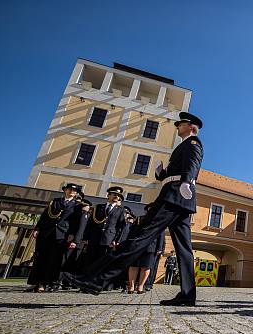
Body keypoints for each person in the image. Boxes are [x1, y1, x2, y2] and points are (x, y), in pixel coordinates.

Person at [62, 111, 204, 307]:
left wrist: (187, 181)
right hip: (178, 198)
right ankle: (188, 294)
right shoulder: (183, 146)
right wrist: (161, 174)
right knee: (184, 249)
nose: (177, 126)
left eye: (180, 124)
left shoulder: (193, 143)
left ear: (190, 127)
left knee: (139, 237)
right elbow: (177, 171)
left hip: (175, 197)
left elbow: (193, 163)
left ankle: (96, 279)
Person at [26, 183, 82, 292]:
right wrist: (37, 228)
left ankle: (44, 283)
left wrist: (72, 234)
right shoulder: (55, 201)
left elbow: (76, 222)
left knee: (53, 260)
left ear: (76, 194)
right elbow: (45, 216)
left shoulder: (77, 206)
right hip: (46, 232)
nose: (71, 191)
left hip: (62, 234)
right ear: (65, 190)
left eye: (74, 191)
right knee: (40, 258)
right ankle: (34, 282)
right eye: (69, 189)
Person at [84, 187, 127, 264]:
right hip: (94, 237)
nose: (116, 197)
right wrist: (86, 237)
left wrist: (116, 240)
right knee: (89, 259)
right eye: (114, 194)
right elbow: (90, 223)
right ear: (108, 195)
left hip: (108, 239)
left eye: (118, 195)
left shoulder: (121, 210)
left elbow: (120, 226)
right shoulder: (98, 207)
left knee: (102, 261)